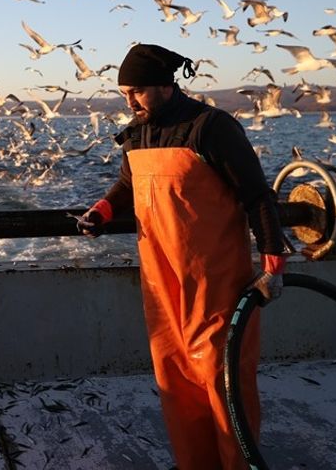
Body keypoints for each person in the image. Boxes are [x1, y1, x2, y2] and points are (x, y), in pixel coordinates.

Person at [77, 42, 292, 470]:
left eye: (137, 91)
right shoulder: (137, 133)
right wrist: (101, 211)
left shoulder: (211, 127)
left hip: (215, 279)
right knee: (173, 373)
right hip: (160, 279)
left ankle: (238, 463)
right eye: (123, 94)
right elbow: (127, 185)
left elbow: (257, 194)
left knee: (220, 375)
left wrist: (273, 263)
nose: (130, 101)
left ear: (164, 85)